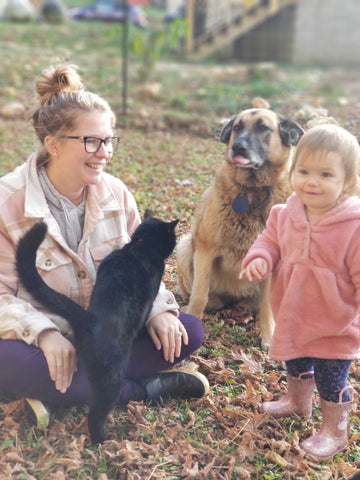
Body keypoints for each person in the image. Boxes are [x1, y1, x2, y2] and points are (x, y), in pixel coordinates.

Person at [0, 64, 208, 428]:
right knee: (8, 361)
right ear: (53, 145)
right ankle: (143, 390)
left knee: (187, 330)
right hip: (39, 341)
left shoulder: (117, 194)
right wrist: (46, 335)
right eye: (92, 141)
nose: (105, 153)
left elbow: (141, 268)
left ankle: (60, 389)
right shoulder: (7, 203)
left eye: (109, 140)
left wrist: (158, 309)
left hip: (104, 337)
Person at [239, 124, 360, 460]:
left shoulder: (353, 227)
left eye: (325, 174)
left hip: (335, 325)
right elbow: (269, 242)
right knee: (296, 360)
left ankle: (335, 431)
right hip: (292, 313)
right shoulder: (284, 213)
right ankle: (296, 402)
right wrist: (260, 259)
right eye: (304, 171)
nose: (311, 181)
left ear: (346, 181)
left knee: (330, 380)